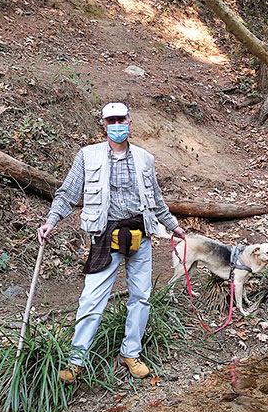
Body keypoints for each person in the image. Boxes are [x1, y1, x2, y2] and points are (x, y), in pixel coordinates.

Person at [37, 102, 186, 383]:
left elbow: (156, 200)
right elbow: (68, 193)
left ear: (129, 121)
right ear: (104, 125)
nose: (117, 125)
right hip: (105, 235)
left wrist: (173, 226)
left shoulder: (144, 158)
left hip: (140, 234)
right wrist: (51, 221)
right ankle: (76, 360)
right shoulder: (87, 156)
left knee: (141, 296)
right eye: (111, 121)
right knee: (92, 298)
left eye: (121, 120)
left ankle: (131, 353)